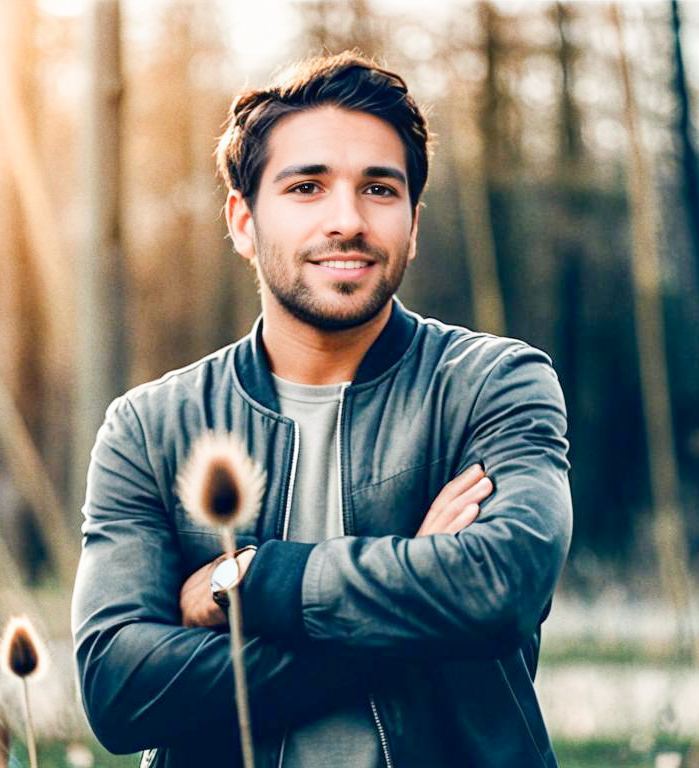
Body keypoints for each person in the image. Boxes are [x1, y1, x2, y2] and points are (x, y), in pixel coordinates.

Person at [71, 51, 572, 768]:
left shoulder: (492, 385)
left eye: (379, 189)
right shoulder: (151, 428)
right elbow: (119, 689)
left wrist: (243, 582)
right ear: (242, 222)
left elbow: (500, 586)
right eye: (307, 187)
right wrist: (415, 602)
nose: (347, 220)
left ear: (413, 221)